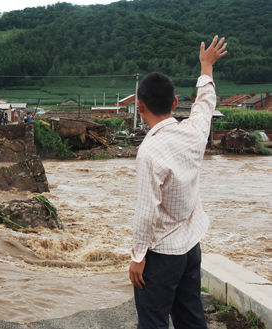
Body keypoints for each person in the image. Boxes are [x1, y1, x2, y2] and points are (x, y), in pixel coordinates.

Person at [129, 35, 227, 329]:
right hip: (190, 247)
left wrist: (137, 257)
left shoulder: (149, 151)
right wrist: (206, 66)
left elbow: (146, 212)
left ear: (140, 106)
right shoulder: (193, 133)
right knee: (191, 317)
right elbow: (205, 104)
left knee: (153, 321)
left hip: (161, 254)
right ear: (174, 102)